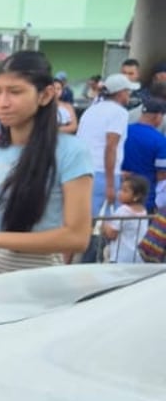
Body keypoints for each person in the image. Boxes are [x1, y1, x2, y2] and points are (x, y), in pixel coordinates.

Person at [0, 51, 93, 276]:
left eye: (15, 92)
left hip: (38, 278)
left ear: (46, 95)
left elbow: (77, 237)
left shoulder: (72, 152)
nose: (3, 102)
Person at [77, 72, 135, 217]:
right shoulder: (119, 112)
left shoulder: (91, 110)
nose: (129, 95)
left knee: (85, 218)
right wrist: (110, 185)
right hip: (103, 173)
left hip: (82, 169)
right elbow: (110, 146)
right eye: (128, 91)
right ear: (120, 93)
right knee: (105, 223)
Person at [121, 94, 165, 203]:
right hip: (145, 199)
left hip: (122, 195)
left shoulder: (123, 132)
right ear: (158, 116)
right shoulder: (160, 141)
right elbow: (162, 176)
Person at [101, 171, 149, 262]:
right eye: (120, 189)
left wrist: (104, 224)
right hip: (137, 256)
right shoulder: (143, 211)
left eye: (125, 191)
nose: (120, 193)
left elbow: (112, 234)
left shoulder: (123, 210)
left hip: (121, 256)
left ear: (136, 196)